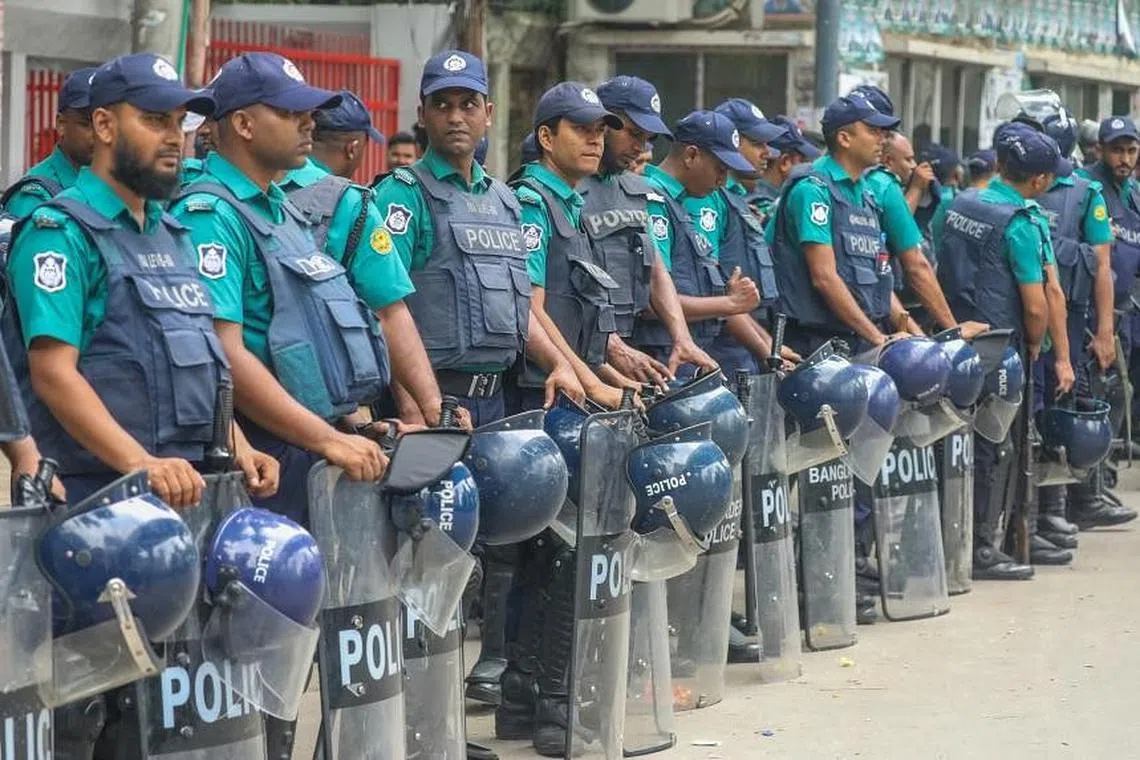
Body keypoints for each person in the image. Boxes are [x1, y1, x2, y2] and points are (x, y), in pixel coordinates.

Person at [3, 51, 280, 757]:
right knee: (80, 716)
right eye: (154, 119)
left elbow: (201, 362)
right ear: (103, 125)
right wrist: (142, 464)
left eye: (180, 122)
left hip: (180, 508)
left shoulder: (172, 233)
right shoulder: (60, 232)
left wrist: (240, 445)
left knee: (155, 720)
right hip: (95, 513)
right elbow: (53, 373)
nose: (174, 137)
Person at [171, 51, 391, 527]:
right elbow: (223, 354)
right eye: (291, 112)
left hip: (308, 442)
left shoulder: (279, 209)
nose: (309, 123)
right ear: (244, 124)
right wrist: (327, 438)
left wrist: (350, 424)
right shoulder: (210, 216)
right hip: (261, 458)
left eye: (309, 112)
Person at [370, 50, 583, 429]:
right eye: (442, 105)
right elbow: (385, 309)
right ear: (422, 115)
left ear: (488, 114)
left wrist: (558, 363)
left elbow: (519, 309)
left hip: (496, 402)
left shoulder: (505, 201)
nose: (455, 117)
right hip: (432, 402)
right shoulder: (403, 194)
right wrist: (413, 408)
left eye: (468, 104)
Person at [938, 121, 1075, 580]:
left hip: (954, 341)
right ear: (1039, 180)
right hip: (1002, 349)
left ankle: (955, 538)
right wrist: (1040, 345)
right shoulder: (1022, 221)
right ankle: (983, 546)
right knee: (997, 447)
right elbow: (1038, 303)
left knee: (955, 443)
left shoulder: (960, 202)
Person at [279, 89, 448, 427]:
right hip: (323, 411)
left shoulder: (240, 191)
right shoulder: (351, 204)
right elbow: (388, 311)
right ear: (354, 147)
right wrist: (431, 408)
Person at [508, 81, 643, 413]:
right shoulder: (531, 202)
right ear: (546, 138)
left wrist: (610, 377)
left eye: (600, 131)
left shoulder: (569, 204)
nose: (595, 140)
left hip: (572, 389)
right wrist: (593, 385)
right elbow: (531, 308)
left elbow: (573, 316)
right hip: (540, 394)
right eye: (582, 130)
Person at [1033, 106, 1123, 558]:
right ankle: (1031, 514)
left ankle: (1058, 506)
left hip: (1069, 318)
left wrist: (1104, 331)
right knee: (1029, 419)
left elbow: (1102, 266)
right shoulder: (1009, 190)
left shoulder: (1085, 193)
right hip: (1023, 317)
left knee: (1065, 412)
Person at [588, 74, 717, 381]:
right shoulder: (567, 187)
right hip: (581, 356)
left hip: (628, 349)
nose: (640, 147)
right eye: (633, 133)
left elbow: (656, 271)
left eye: (647, 138)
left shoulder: (637, 191)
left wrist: (682, 338)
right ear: (602, 123)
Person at [768, 92, 914, 356]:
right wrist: (878, 338)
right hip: (816, 346)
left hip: (859, 338)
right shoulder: (813, 190)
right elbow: (824, 278)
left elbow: (878, 276)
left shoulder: (865, 194)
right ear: (844, 139)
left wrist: (915, 337)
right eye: (873, 131)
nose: (883, 139)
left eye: (883, 132)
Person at [633, 110, 764, 367]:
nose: (723, 181)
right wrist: (729, 303)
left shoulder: (681, 201)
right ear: (691, 155)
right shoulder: (653, 200)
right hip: (662, 356)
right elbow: (650, 301)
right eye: (720, 169)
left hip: (689, 352)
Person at [1073, 116, 1140, 528]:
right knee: (1094, 400)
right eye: (1117, 150)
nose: (1125, 159)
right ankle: (1085, 493)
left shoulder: (1133, 194)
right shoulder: (1085, 188)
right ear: (1100, 149)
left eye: (1131, 151)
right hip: (1092, 316)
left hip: (1123, 313)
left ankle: (1098, 481)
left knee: (1117, 394)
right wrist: (1100, 328)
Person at [2, 66, 96, 217]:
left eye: (106, 123)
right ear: (61, 124)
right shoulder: (35, 196)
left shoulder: (117, 188)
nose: (100, 134)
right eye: (87, 124)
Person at [750, 115, 820, 222]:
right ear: (784, 162)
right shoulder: (770, 206)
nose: (806, 168)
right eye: (801, 161)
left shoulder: (745, 194)